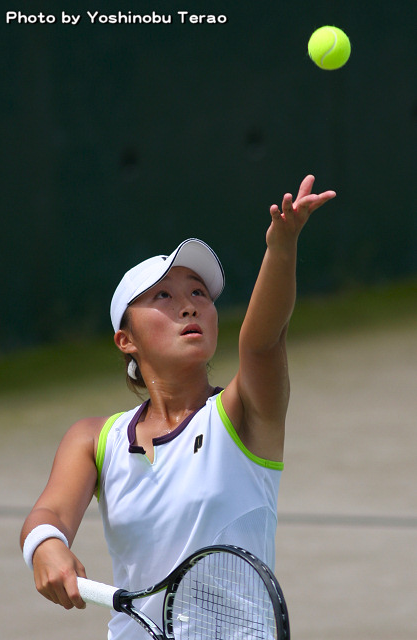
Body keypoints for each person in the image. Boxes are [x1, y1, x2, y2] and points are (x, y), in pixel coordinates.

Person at [20, 175, 336, 639]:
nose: (189, 306)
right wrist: (46, 545)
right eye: (163, 296)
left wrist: (281, 248)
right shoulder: (93, 440)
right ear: (125, 340)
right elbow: (49, 513)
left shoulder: (246, 413)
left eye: (199, 293)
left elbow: (262, 342)